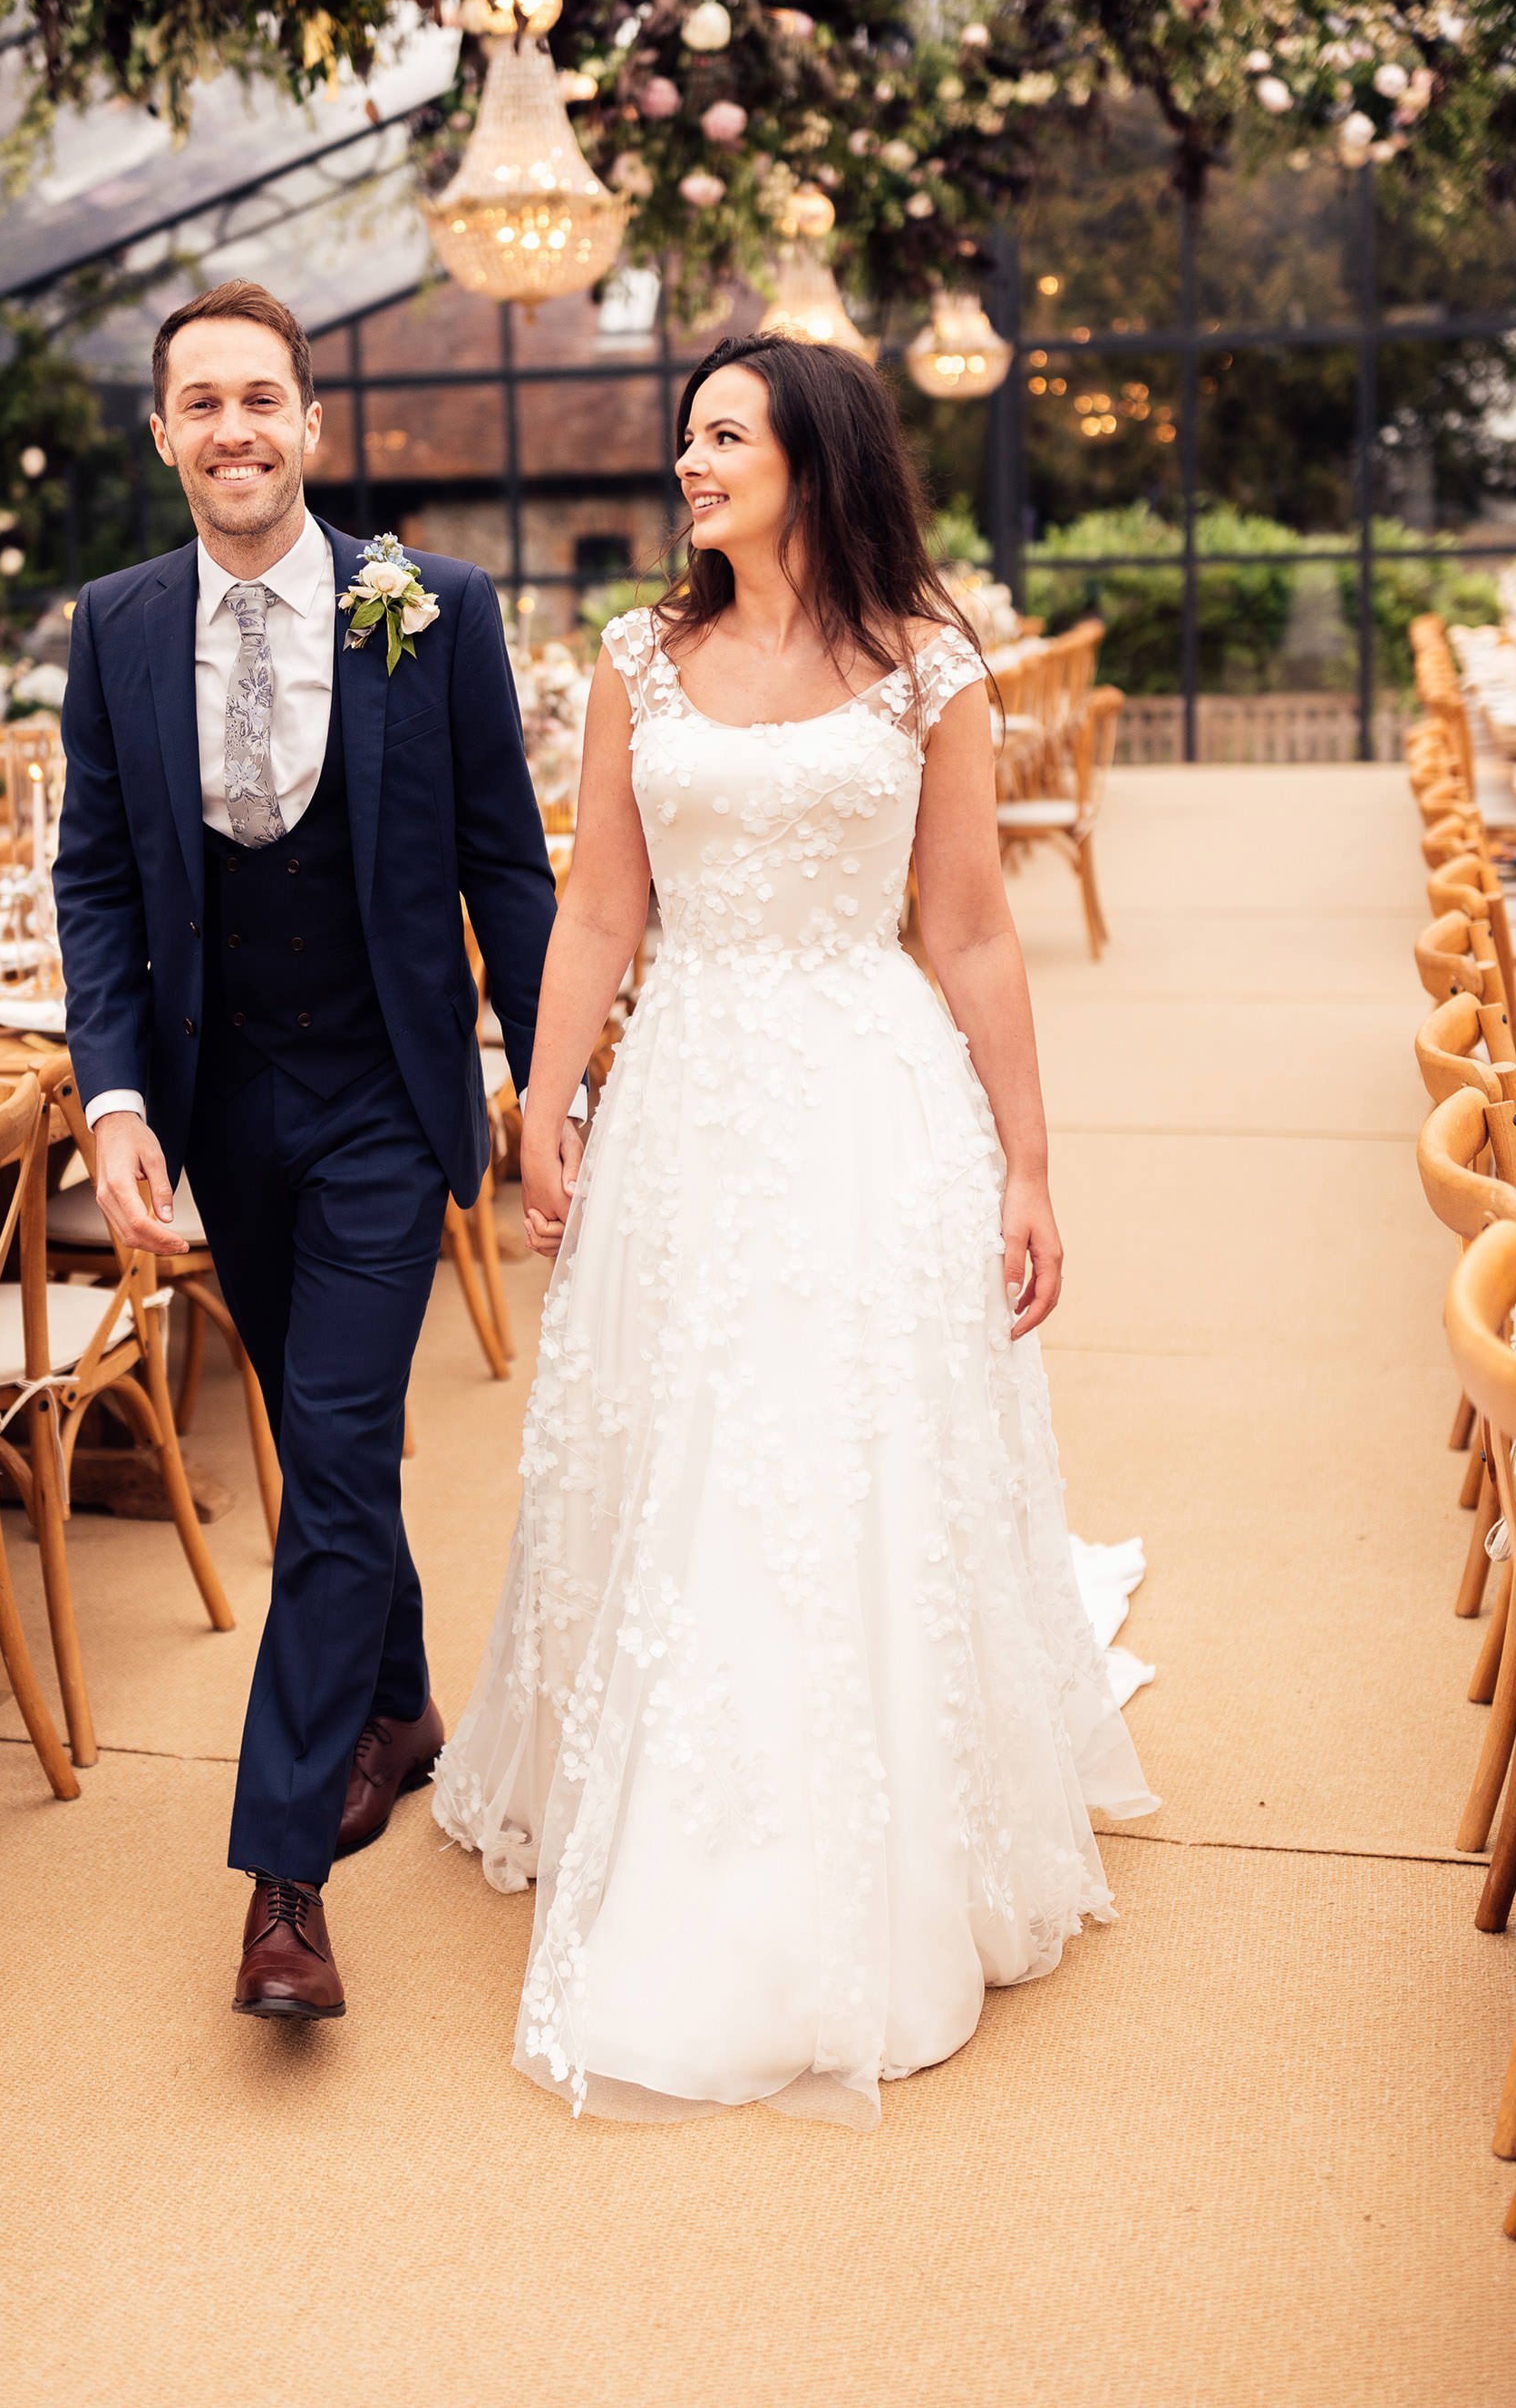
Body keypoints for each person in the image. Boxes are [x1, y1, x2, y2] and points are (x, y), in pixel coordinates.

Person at [433, 332, 1156, 2126]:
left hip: (867, 1095)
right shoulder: (636, 661)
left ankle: (873, 1820)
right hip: (681, 1091)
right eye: (685, 435)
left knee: (844, 1447)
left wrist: (1027, 1165)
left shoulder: (924, 666)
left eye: (723, 435)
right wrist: (541, 1096)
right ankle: (665, 1781)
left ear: (812, 458)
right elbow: (595, 909)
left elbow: (973, 932)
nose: (688, 463)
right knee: (680, 1437)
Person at [54, 280, 559, 2024]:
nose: (235, 430)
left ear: (313, 427)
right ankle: (401, 1705)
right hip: (213, 1112)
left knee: (331, 1457)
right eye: (201, 404)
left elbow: (508, 862)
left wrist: (552, 1078)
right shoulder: (113, 626)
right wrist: (113, 1100)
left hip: (374, 1103)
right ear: (163, 433)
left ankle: (283, 1882)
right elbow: (100, 881)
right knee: (322, 1442)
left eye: (262, 398)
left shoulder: (436, 608)